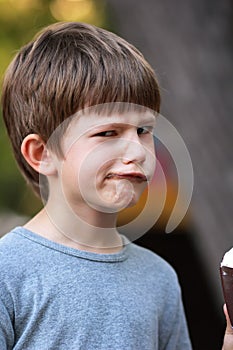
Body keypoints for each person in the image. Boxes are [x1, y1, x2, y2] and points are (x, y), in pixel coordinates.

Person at [0, 21, 192, 349]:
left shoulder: (160, 278)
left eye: (144, 131)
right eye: (108, 133)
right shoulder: (8, 273)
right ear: (42, 153)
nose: (138, 150)